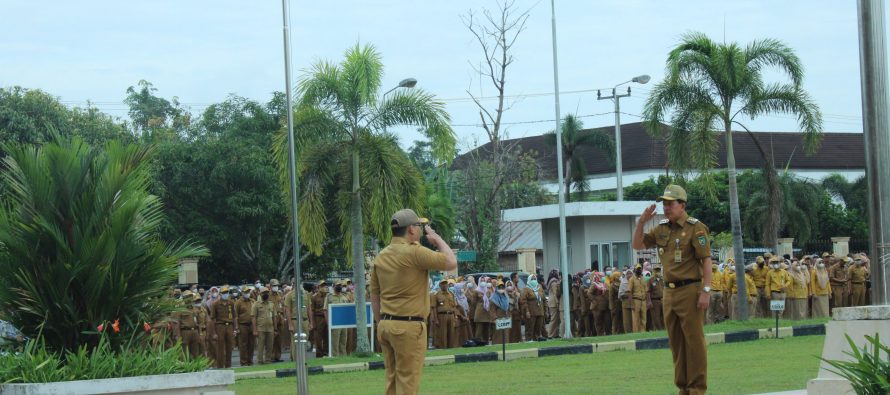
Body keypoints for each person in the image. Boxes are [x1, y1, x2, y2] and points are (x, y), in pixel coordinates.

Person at [633, 184, 712, 395]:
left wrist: (706, 290)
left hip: (690, 289)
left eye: (670, 203)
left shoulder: (696, 228)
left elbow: (706, 261)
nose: (666, 207)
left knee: (694, 342)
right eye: (664, 204)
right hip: (669, 292)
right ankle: (683, 387)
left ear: (682, 205)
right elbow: (638, 245)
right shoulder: (662, 228)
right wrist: (642, 222)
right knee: (676, 343)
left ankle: (696, 389)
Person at [370, 208, 456, 395]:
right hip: (408, 326)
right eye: (419, 225)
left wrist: (380, 323)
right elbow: (451, 262)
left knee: (392, 381)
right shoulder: (414, 252)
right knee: (408, 383)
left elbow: (375, 296)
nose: (420, 230)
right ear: (411, 229)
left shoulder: (381, 256)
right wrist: (437, 239)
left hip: (386, 324)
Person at [210, 285, 238, 369]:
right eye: (224, 293)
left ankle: (228, 365)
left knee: (230, 346)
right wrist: (214, 332)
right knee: (220, 347)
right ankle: (220, 366)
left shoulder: (231, 303)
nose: (226, 294)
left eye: (227, 292)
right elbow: (213, 319)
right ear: (220, 294)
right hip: (220, 326)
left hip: (229, 325)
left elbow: (234, 316)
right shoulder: (215, 304)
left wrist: (235, 328)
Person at [252, 287, 277, 364]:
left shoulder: (271, 304)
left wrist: (275, 329)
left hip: (270, 329)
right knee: (260, 346)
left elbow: (274, 317)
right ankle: (260, 361)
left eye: (266, 292)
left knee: (270, 346)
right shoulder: (256, 304)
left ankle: (268, 361)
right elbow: (253, 318)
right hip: (260, 329)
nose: (265, 294)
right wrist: (255, 330)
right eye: (263, 293)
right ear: (260, 294)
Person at [325, 280, 351, 356]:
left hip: (343, 324)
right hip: (334, 323)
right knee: (335, 344)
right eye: (337, 285)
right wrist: (328, 323)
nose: (339, 287)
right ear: (333, 287)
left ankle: (343, 358)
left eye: (340, 285)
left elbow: (348, 309)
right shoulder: (329, 296)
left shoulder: (345, 297)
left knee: (343, 343)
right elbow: (325, 310)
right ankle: (335, 358)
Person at [174, 290, 201, 358]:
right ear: (184, 298)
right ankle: (185, 367)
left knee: (195, 352)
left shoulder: (195, 309)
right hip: (185, 332)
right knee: (184, 353)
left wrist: (200, 333)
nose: (190, 298)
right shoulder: (180, 309)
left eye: (191, 296)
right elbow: (177, 323)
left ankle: (195, 367)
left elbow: (199, 322)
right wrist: (178, 335)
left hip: (195, 331)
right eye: (188, 296)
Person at [521, 274, 545, 341]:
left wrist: (545, 310)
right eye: (532, 279)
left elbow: (544, 299)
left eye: (535, 279)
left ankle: (537, 339)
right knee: (530, 328)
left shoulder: (539, 287)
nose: (534, 280)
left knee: (539, 327)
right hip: (531, 312)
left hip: (540, 311)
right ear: (529, 280)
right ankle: (529, 340)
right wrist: (527, 311)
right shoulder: (526, 289)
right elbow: (523, 301)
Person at [625, 263, 648, 333]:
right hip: (636, 300)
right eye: (638, 269)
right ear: (635, 270)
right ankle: (636, 332)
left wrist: (647, 301)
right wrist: (631, 303)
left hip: (643, 300)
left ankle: (643, 331)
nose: (639, 270)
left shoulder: (643, 279)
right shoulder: (632, 279)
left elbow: (646, 290)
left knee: (644, 317)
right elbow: (629, 292)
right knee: (635, 318)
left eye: (640, 268)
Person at [235, 286, 255, 366]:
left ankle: (250, 360)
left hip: (251, 325)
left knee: (252, 344)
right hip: (242, 325)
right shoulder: (238, 302)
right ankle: (244, 362)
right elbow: (235, 316)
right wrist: (237, 327)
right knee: (243, 344)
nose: (247, 293)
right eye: (246, 292)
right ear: (242, 293)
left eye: (248, 292)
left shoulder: (252, 301)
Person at [310, 280, 329, 357]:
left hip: (327, 317)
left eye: (325, 286)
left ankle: (326, 353)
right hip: (318, 318)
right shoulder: (314, 297)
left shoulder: (328, 296)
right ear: (318, 287)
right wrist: (313, 322)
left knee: (327, 336)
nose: (324, 288)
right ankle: (319, 354)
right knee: (318, 337)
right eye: (322, 286)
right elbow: (312, 310)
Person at [648, 265, 665, 331]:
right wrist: (649, 301)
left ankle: (664, 330)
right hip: (654, 300)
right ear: (653, 271)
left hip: (662, 300)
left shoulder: (662, 279)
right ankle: (658, 330)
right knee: (656, 317)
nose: (658, 271)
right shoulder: (651, 280)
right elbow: (648, 292)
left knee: (663, 316)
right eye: (656, 270)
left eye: (659, 270)